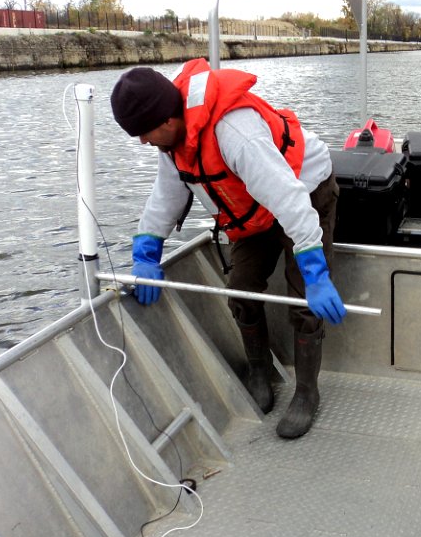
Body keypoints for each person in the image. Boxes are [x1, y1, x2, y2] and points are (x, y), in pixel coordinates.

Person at [109, 59, 346, 439]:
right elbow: (167, 194)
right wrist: (146, 252)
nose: (142, 141)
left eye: (143, 132)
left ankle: (306, 392)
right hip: (253, 210)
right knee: (241, 285)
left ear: (167, 121)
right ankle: (259, 371)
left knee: (303, 297)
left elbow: (289, 200)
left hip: (305, 189)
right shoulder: (174, 143)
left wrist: (316, 274)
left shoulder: (235, 133)